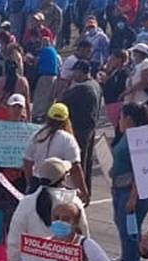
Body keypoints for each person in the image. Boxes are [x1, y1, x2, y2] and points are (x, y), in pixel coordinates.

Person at [107, 103, 148, 261]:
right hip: (120, 188)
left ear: (129, 119)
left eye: (121, 117)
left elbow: (140, 170)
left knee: (129, 233)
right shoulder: (127, 136)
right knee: (127, 229)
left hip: (131, 191)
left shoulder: (138, 139)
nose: (119, 121)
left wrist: (134, 197)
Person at [22, 103, 86, 197]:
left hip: (38, 183)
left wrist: (30, 183)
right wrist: (83, 190)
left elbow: (27, 162)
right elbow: (75, 168)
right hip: (59, 185)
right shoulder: (68, 139)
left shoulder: (36, 135)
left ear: (48, 117)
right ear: (66, 120)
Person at [62, 61, 101, 195]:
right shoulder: (96, 84)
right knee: (87, 162)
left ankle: (79, 192)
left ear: (81, 71)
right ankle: (86, 191)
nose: (73, 74)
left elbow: (62, 102)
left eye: (75, 71)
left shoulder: (82, 88)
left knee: (77, 163)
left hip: (78, 130)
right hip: (90, 128)